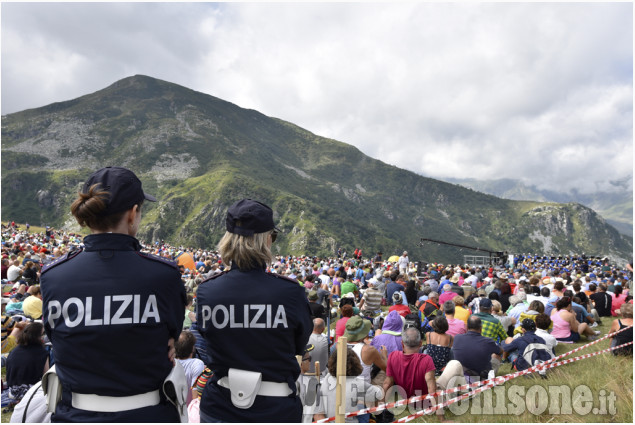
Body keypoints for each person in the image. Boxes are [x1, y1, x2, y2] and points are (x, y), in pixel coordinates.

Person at [41, 166, 186, 422]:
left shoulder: (53, 275)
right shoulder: (164, 274)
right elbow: (171, 336)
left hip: (75, 414)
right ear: (133, 214)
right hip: (147, 413)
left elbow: (56, 335)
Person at [196, 198, 312, 422]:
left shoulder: (207, 291)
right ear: (267, 240)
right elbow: (299, 345)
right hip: (275, 409)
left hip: (219, 405)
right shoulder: (289, 292)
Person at [383, 328, 465, 422]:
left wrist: (379, 408)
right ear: (421, 344)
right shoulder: (426, 359)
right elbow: (432, 390)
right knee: (455, 364)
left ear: (402, 344)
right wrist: (442, 419)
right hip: (430, 405)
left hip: (411, 403)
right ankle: (465, 392)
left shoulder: (393, 356)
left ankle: (462, 392)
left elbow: (387, 383)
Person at [313, 348, 383, 423]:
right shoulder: (358, 384)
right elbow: (379, 394)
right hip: (349, 421)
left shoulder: (328, 377)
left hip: (330, 420)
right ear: (355, 363)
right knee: (363, 404)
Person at [5, 322, 49, 408]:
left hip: (12, 393)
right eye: (43, 334)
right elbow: (46, 377)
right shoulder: (42, 353)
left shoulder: (14, 351)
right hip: (31, 393)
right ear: (38, 336)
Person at [452, 316, 502, 380]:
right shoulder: (488, 341)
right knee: (496, 355)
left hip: (463, 376)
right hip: (482, 377)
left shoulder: (457, 338)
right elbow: (500, 351)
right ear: (481, 328)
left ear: (466, 327)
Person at [175, 330, 205, 405]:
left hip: (173, 412)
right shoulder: (197, 364)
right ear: (192, 348)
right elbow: (196, 395)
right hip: (190, 412)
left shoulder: (169, 363)